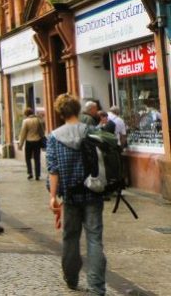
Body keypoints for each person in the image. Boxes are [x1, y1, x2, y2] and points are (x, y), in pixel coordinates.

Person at [47, 94, 106, 295]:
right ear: (77, 109)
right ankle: (97, 287)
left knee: (70, 238)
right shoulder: (91, 130)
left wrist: (53, 196)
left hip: (70, 197)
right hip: (93, 193)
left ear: (60, 112)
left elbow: (53, 170)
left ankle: (71, 279)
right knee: (94, 239)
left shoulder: (54, 136)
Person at [18, 107, 44, 180]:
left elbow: (23, 133)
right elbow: (41, 131)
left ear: (26, 114)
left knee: (28, 158)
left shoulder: (25, 121)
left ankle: (30, 173)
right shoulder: (38, 120)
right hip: (37, 141)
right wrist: (42, 138)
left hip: (29, 141)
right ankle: (37, 174)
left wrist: (20, 144)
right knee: (37, 158)